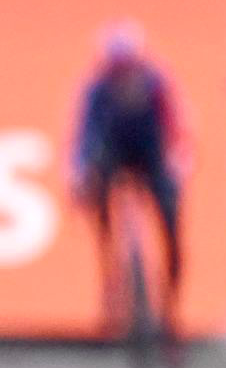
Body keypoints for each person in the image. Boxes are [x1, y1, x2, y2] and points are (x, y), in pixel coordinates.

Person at [71, 25, 185, 346]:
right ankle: (112, 287)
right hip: (115, 155)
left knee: (170, 222)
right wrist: (80, 175)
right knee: (99, 200)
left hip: (151, 156)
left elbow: (177, 128)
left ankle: (170, 310)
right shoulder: (97, 89)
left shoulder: (156, 83)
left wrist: (178, 165)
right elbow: (83, 136)